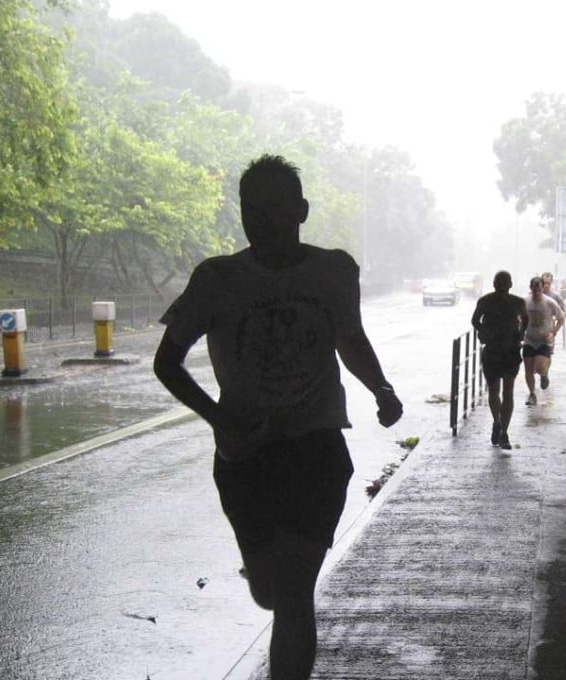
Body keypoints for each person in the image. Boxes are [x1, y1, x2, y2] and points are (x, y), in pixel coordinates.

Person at [153, 154, 403, 680]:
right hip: (244, 457)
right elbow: (166, 362)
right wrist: (219, 419)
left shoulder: (334, 271)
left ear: (302, 211)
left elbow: (349, 338)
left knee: (294, 594)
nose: (260, 219)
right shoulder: (217, 279)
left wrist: (380, 387)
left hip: (316, 450)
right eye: (250, 208)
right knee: (270, 590)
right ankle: (264, 577)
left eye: (274, 207)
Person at [470, 270, 529, 449]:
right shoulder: (489, 301)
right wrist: (486, 332)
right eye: (500, 281)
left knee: (504, 391)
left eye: (504, 281)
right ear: (495, 284)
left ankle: (503, 429)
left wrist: (519, 333)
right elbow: (475, 321)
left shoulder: (516, 302)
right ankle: (499, 424)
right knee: (497, 391)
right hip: (496, 351)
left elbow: (525, 320)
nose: (502, 285)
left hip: (506, 351)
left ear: (509, 284)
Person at [522, 276, 566, 405]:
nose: (536, 292)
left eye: (539, 289)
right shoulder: (525, 302)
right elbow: (519, 318)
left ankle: (544, 375)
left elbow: (562, 317)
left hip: (544, 340)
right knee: (528, 370)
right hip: (529, 339)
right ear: (531, 288)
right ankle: (532, 394)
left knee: (540, 367)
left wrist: (554, 332)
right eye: (534, 289)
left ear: (542, 288)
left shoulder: (549, 302)